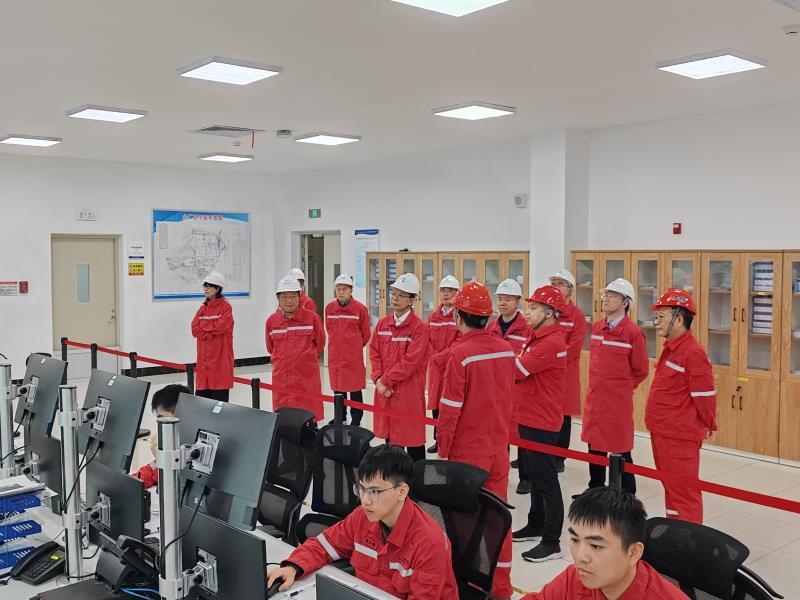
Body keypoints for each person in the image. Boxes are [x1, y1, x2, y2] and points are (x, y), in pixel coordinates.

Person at [267, 445, 458, 599]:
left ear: (402, 491)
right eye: (362, 489)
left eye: (374, 491)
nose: (365, 500)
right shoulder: (363, 517)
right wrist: (293, 567)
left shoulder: (430, 544)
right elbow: (323, 545)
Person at [437, 281, 516, 600]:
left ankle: (466, 585)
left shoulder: (461, 355)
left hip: (467, 455)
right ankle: (501, 588)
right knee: (498, 521)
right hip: (498, 450)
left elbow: (450, 411)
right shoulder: (506, 349)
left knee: (464, 523)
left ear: (458, 316)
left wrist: (443, 451)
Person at [522, 487, 688, 599]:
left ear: (633, 552)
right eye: (575, 540)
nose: (580, 557)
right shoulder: (575, 578)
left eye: (595, 546)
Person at [646, 288, 716, 524]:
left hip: (679, 436)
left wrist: (709, 423)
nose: (656, 322)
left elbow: (705, 395)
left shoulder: (693, 353)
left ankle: (690, 541)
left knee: (684, 493)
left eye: (661, 316)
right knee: (671, 488)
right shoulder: (670, 349)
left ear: (678, 319)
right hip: (663, 432)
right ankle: (675, 533)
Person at [512, 285, 568, 563]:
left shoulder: (551, 342)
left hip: (541, 419)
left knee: (546, 480)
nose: (527, 312)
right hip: (528, 415)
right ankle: (536, 524)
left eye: (533, 308)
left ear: (549, 313)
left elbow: (517, 369)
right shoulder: (535, 337)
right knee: (534, 475)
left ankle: (552, 541)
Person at [581, 278, 649, 495]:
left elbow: (641, 370)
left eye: (612, 296)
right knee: (594, 446)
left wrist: (622, 388)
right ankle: (595, 490)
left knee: (620, 449)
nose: (606, 299)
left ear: (625, 302)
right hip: (595, 398)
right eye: (606, 295)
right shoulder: (598, 327)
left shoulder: (633, 333)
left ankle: (628, 495)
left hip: (617, 403)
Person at [369, 273, 429, 462]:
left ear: (412, 300)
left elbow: (410, 362)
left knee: (413, 442)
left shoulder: (419, 328)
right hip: (385, 391)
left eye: (401, 295)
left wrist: (384, 382)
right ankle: (395, 477)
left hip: (408, 394)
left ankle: (418, 478)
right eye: (393, 293)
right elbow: (374, 352)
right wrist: (377, 379)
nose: (395, 298)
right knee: (391, 441)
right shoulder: (382, 324)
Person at [487, 278, 533, 494]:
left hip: (518, 388)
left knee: (521, 435)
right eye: (500, 299)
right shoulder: (492, 326)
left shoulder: (526, 328)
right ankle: (500, 473)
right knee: (498, 433)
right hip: (496, 388)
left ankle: (526, 477)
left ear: (518, 301)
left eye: (508, 299)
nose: (503, 303)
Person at [265, 275, 326, 422]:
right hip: (282, 380)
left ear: (300, 297)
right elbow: (270, 347)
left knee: (308, 420)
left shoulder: (312, 319)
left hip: (306, 381)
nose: (289, 301)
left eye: (293, 296)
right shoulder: (272, 321)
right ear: (278, 298)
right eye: (284, 297)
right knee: (284, 421)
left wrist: (304, 361)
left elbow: (320, 343)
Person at [547, 269, 587, 473]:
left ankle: (559, 458)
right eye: (553, 283)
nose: (555, 287)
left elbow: (574, 347)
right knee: (543, 413)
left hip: (564, 373)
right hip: (544, 372)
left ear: (570, 290)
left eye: (560, 284)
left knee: (563, 417)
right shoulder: (547, 311)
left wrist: (550, 359)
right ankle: (537, 454)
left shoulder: (576, 316)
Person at [325, 273, 371, 426]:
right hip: (335, 356)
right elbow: (329, 329)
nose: (341, 292)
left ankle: (356, 419)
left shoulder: (360, 309)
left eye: (344, 289)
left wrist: (353, 347)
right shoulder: (329, 308)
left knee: (355, 389)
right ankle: (340, 416)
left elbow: (366, 334)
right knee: (338, 388)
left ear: (351, 290)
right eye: (339, 289)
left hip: (353, 358)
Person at [425, 274, 461, 454]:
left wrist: (441, 358)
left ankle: (453, 440)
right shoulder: (433, 317)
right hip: (436, 369)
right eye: (443, 290)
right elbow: (426, 339)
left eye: (450, 291)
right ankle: (437, 440)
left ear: (457, 293)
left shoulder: (460, 316)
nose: (446, 294)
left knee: (452, 405)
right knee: (436, 406)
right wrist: (435, 357)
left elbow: (460, 341)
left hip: (453, 366)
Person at [132, 384, 191, 489]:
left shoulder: (192, 447)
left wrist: (162, 458)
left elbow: (176, 486)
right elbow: (150, 471)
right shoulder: (172, 441)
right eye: (159, 420)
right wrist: (131, 482)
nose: (161, 425)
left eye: (164, 420)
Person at [190, 271, 234, 402]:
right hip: (203, 363)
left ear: (218, 288)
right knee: (202, 402)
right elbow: (194, 329)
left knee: (219, 404)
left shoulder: (226, 307)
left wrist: (204, 329)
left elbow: (221, 327)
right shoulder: (202, 309)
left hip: (220, 362)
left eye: (209, 286)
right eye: (205, 286)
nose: (206, 289)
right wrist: (210, 331)